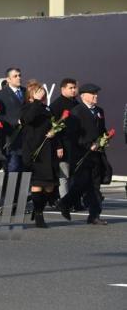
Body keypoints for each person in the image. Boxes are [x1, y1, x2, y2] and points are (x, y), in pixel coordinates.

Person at [57, 83, 110, 226]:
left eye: (96, 93)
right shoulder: (77, 111)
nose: (96, 96)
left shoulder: (99, 111)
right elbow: (72, 136)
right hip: (81, 155)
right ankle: (64, 203)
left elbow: (101, 130)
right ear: (83, 96)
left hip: (96, 154)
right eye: (93, 93)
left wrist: (105, 138)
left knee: (95, 185)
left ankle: (94, 215)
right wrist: (87, 145)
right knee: (81, 184)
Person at [20, 81, 62, 228]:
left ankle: (38, 209)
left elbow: (54, 126)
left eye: (43, 92)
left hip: (48, 150)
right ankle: (39, 214)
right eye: (38, 92)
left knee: (50, 186)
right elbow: (28, 119)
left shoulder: (47, 109)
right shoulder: (27, 108)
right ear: (31, 94)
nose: (42, 94)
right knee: (38, 184)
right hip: (34, 151)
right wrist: (36, 102)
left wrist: (57, 143)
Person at [49, 78, 79, 200]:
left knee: (74, 174)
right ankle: (64, 201)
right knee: (64, 175)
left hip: (76, 144)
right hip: (63, 145)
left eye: (74, 88)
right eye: (70, 88)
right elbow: (53, 128)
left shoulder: (76, 104)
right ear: (63, 89)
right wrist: (59, 145)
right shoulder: (56, 105)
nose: (73, 90)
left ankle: (73, 200)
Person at [0, 68, 26, 173]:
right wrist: (15, 121)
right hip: (12, 140)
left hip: (27, 140)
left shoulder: (26, 92)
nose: (19, 78)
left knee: (26, 172)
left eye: (19, 75)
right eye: (15, 76)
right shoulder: (0, 95)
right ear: (8, 79)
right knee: (13, 171)